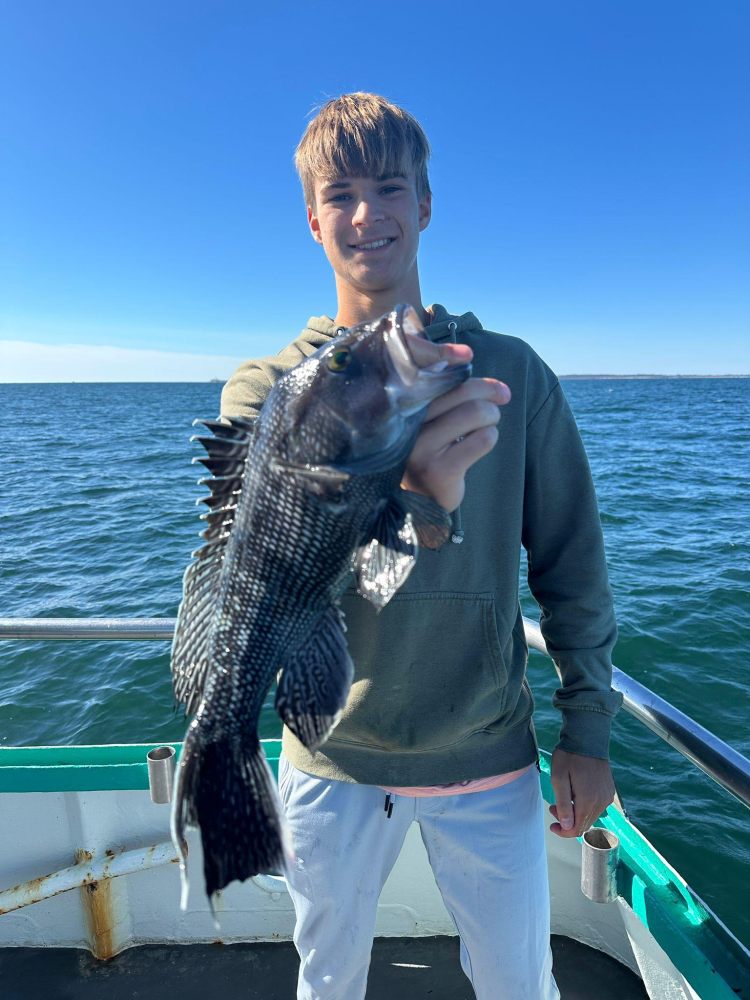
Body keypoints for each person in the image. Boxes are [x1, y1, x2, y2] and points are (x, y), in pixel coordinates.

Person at [221, 93, 622, 1000]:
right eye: (342, 193)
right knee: (328, 982)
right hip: (331, 747)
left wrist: (587, 729)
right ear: (313, 218)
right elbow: (275, 585)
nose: (368, 214)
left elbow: (572, 564)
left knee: (521, 983)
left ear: (426, 205)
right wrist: (411, 503)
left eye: (391, 188)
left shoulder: (511, 372)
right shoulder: (270, 392)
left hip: (487, 748)